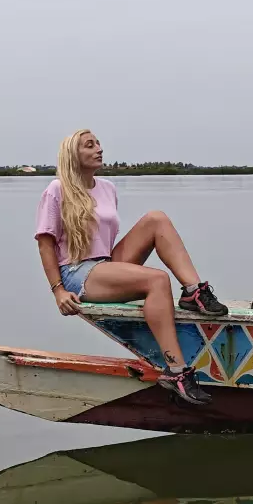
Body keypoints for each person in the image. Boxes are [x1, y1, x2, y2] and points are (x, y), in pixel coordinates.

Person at [34, 129, 229, 405]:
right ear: (73, 155)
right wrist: (58, 291)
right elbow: (45, 243)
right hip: (77, 272)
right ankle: (176, 371)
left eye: (99, 143)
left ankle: (194, 291)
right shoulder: (57, 190)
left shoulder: (107, 188)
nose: (99, 149)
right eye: (90, 145)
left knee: (156, 219)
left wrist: (115, 266)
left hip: (105, 264)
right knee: (157, 280)